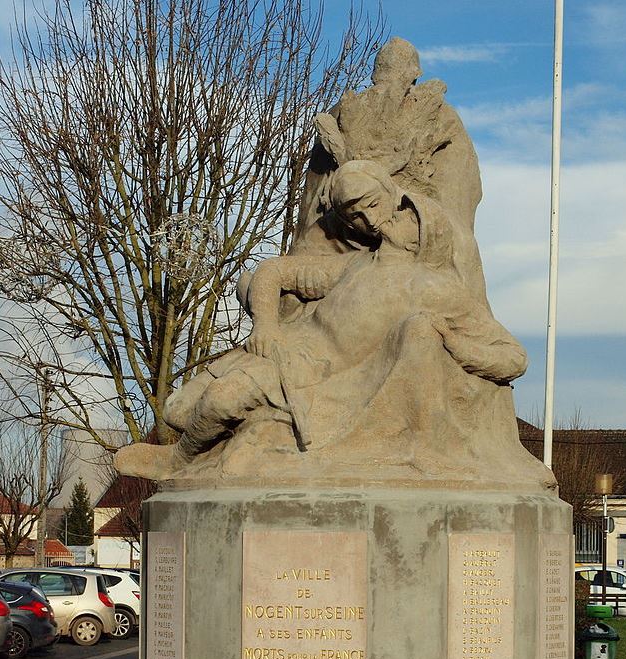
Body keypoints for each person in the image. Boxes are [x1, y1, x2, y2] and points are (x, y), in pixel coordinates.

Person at [115, 161, 527, 481]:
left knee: (223, 401)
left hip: (319, 377)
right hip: (281, 348)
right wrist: (266, 326)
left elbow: (513, 357)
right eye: (357, 211)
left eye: (398, 215)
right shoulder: (355, 265)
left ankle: (179, 459)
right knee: (178, 409)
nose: (375, 220)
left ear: (426, 232)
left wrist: (455, 347)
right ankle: (198, 446)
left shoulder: (438, 289)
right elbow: (273, 271)